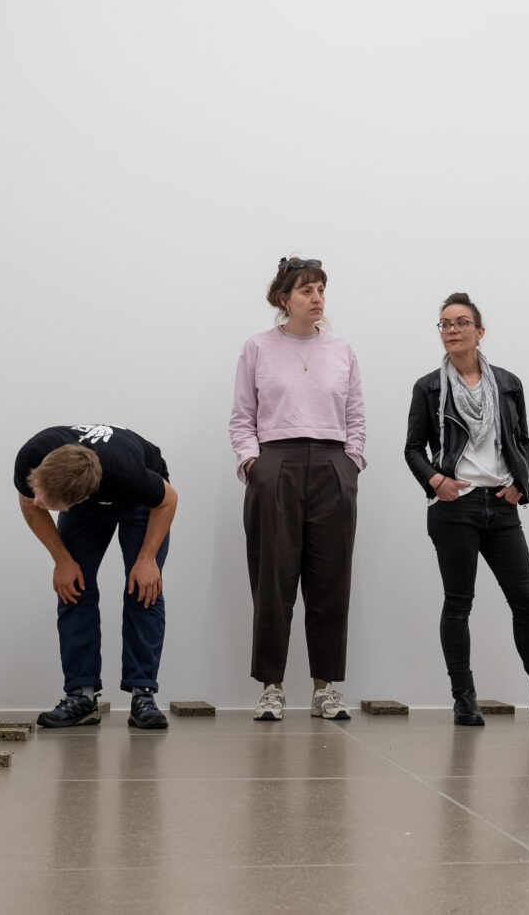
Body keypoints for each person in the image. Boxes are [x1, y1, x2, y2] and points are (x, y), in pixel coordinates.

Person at [404, 292, 529, 728]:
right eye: (445, 324)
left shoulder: (507, 383)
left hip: (501, 508)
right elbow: (413, 448)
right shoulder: (429, 387)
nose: (452, 330)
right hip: (454, 510)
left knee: (527, 601)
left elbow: (521, 440)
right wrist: (436, 481)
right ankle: (464, 700)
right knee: (458, 603)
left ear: (479, 331)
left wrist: (519, 485)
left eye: (461, 322)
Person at [230, 257, 365, 723]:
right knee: (273, 578)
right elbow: (242, 415)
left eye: (322, 289)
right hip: (276, 464)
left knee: (331, 582)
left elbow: (357, 417)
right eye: (307, 290)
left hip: (332, 465)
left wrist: (352, 465)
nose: (317, 298)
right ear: (284, 298)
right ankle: (272, 686)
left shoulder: (342, 349)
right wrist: (254, 464)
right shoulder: (258, 347)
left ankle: (325, 688)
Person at [16, 424, 177, 730]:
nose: (38, 501)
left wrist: (146, 560)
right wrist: (62, 560)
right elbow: (29, 502)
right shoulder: (33, 457)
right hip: (87, 497)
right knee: (74, 589)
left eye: (46, 501)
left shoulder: (130, 475)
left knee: (143, 589)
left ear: (78, 500)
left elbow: (168, 500)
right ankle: (81, 696)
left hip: (142, 504)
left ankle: (143, 694)